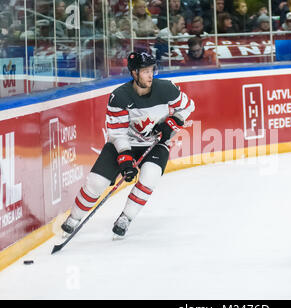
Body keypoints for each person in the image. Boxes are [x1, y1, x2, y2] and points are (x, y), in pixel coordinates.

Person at [61, 52, 195, 238]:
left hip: (155, 143)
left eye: (151, 71)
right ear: (134, 73)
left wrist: (173, 121)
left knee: (150, 176)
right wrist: (125, 159)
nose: (150, 75)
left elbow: (188, 106)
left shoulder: (166, 89)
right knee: (97, 182)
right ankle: (74, 218)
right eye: (145, 71)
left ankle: (126, 217)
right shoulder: (119, 97)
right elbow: (117, 133)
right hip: (124, 143)